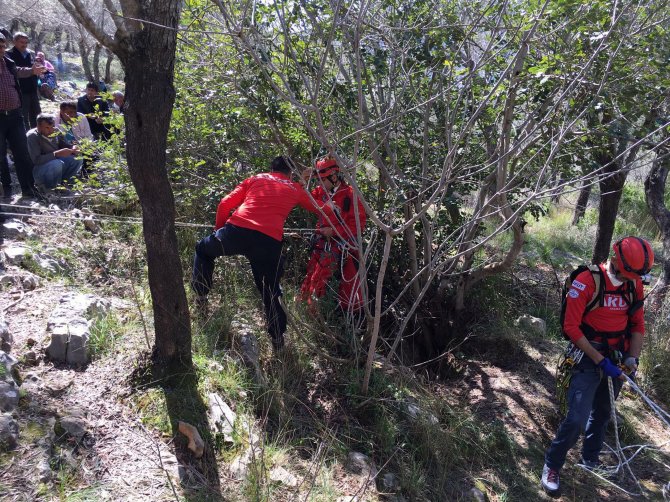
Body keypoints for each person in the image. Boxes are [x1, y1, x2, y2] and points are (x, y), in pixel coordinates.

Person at [541, 237, 654, 495]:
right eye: (628, 276)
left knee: (603, 412)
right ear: (616, 262)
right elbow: (570, 327)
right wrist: (599, 360)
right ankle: (552, 463)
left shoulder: (634, 283)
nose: (631, 280)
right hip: (586, 355)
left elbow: (637, 324)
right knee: (577, 418)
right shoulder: (586, 282)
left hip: (617, 358)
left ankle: (589, 459)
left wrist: (631, 360)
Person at [191, 156, 337, 351]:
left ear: (271, 168)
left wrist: (219, 232)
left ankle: (201, 297)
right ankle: (278, 341)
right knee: (270, 290)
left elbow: (225, 204)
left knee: (203, 250)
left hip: (236, 231)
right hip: (268, 242)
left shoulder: (256, 179)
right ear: (290, 173)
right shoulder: (294, 188)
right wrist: (333, 210)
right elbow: (320, 208)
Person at [299, 157, 366, 315]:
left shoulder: (351, 195)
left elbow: (358, 225)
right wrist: (302, 181)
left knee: (328, 277)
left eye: (322, 180)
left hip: (343, 246)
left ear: (334, 177)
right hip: (322, 243)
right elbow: (302, 198)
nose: (319, 184)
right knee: (312, 273)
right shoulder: (321, 192)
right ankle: (306, 308)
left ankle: (331, 314)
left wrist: (334, 231)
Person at [0, 31, 40, 198]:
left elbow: (19, 71)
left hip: (15, 116)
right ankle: (6, 192)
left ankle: (29, 189)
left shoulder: (8, 62)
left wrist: (33, 70)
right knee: (0, 156)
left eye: (3, 46)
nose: (1, 49)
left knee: (22, 153)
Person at [26, 113, 82, 190]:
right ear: (39, 127)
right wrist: (56, 154)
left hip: (57, 166)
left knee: (77, 158)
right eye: (47, 128)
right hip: (39, 171)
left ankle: (66, 184)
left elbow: (65, 145)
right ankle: (51, 188)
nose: (51, 130)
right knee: (57, 163)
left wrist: (73, 148)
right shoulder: (32, 136)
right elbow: (36, 160)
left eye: (52, 126)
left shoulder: (56, 131)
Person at [7, 32, 41, 130]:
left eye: (26, 42)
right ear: (15, 42)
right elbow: (14, 71)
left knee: (37, 115)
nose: (24, 45)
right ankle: (26, 139)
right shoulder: (9, 54)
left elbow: (34, 67)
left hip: (33, 89)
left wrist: (39, 69)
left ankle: (38, 137)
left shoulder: (30, 54)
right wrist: (31, 71)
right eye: (22, 42)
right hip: (20, 90)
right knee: (23, 117)